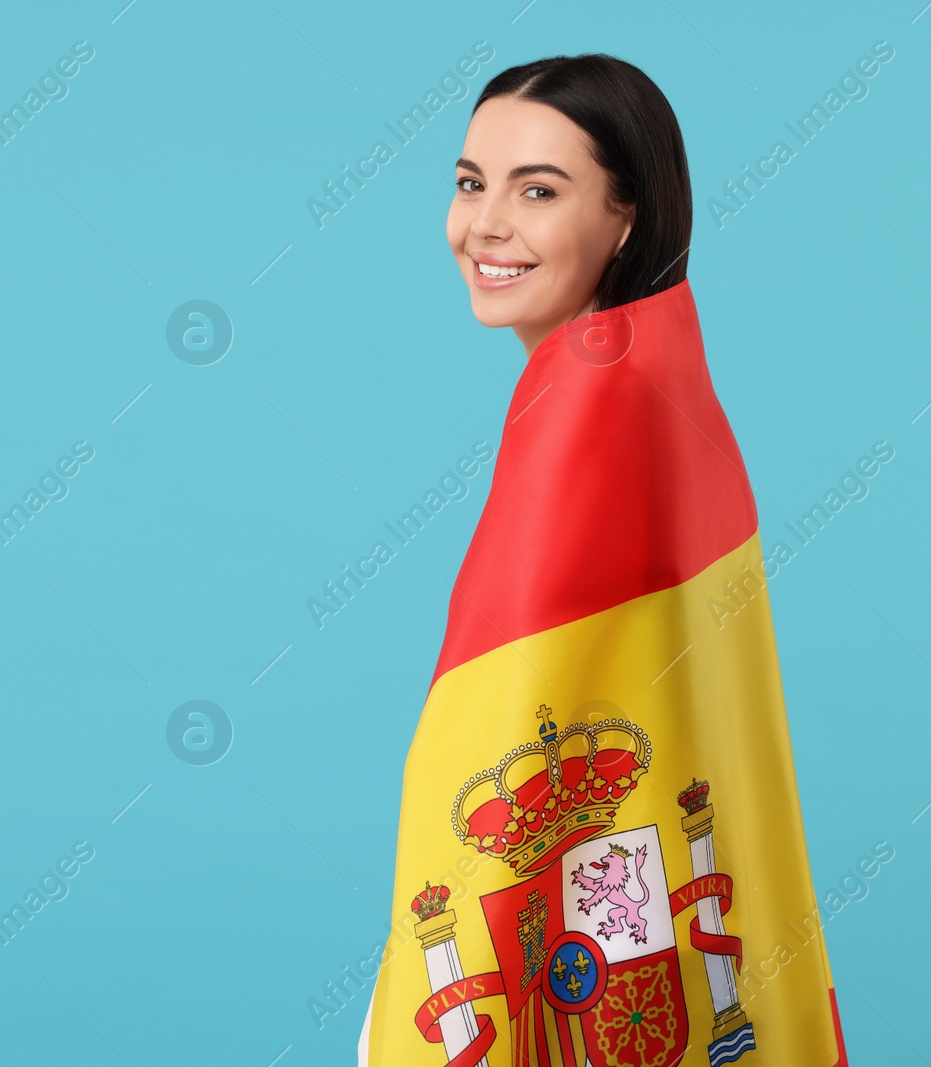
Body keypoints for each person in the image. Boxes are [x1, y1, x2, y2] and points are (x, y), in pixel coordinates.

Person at [358, 55, 848, 1067]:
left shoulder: (589, 396)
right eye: (468, 182)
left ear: (627, 217)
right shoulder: (656, 367)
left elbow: (494, 716)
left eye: (537, 190)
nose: (484, 223)